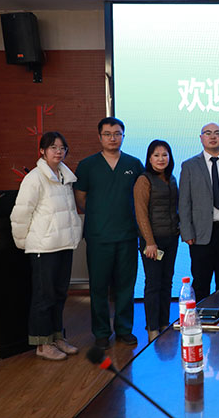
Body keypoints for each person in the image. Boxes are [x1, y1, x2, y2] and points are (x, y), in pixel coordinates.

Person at [10, 132, 82, 361]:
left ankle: (57, 337)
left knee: (59, 294)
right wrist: (23, 243)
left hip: (63, 244)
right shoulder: (34, 178)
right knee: (44, 296)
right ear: (42, 151)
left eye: (62, 148)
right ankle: (42, 344)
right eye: (53, 147)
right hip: (44, 247)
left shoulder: (64, 176)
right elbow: (20, 214)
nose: (58, 152)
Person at [74, 117, 144, 349]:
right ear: (100, 137)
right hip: (99, 236)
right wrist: (101, 214)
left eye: (117, 134)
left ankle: (124, 329)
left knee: (126, 286)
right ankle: (101, 332)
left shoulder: (134, 164)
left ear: (123, 136)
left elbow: (141, 198)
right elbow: (81, 199)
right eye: (107, 134)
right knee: (98, 287)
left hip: (127, 235)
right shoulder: (87, 165)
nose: (112, 138)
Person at [178, 122, 219, 301]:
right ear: (201, 138)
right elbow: (184, 202)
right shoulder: (189, 165)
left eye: (217, 133)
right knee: (201, 282)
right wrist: (186, 232)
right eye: (208, 133)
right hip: (200, 233)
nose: (213, 136)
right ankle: (201, 317)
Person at [134, 140, 179, 342]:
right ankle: (152, 328)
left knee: (167, 282)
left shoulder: (172, 179)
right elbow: (141, 213)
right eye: (156, 155)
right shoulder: (144, 180)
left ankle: (163, 323)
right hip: (152, 241)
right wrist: (149, 242)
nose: (161, 159)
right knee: (153, 283)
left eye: (165, 155)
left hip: (171, 238)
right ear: (149, 158)